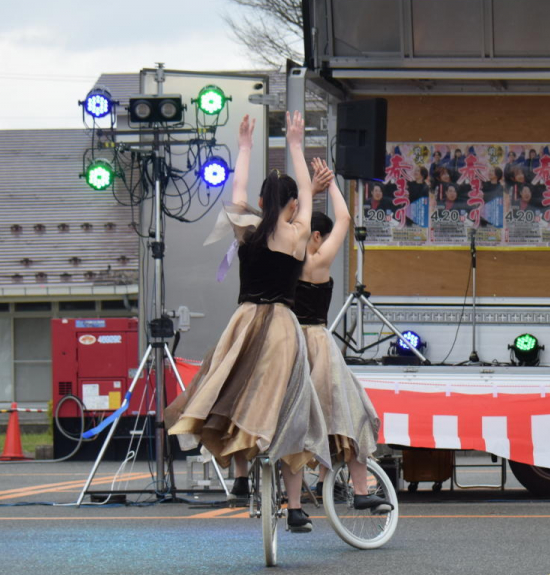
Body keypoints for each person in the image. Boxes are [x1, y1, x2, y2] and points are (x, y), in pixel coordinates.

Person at [165, 111, 329, 532]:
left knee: (231, 390)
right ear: (292, 204)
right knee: (292, 406)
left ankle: (239, 477)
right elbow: (309, 200)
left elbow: (235, 190)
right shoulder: (296, 234)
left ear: (261, 202)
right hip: (281, 328)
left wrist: (244, 145)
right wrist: (295, 144)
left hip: (244, 320)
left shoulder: (249, 230)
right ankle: (294, 507)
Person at [281, 159, 393, 518]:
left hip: (285, 342)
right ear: (317, 236)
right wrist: (329, 185)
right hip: (317, 342)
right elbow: (344, 219)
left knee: (294, 420)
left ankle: (295, 506)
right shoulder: (318, 262)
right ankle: (360, 491)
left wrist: (303, 196)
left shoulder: (284, 257)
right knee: (348, 412)